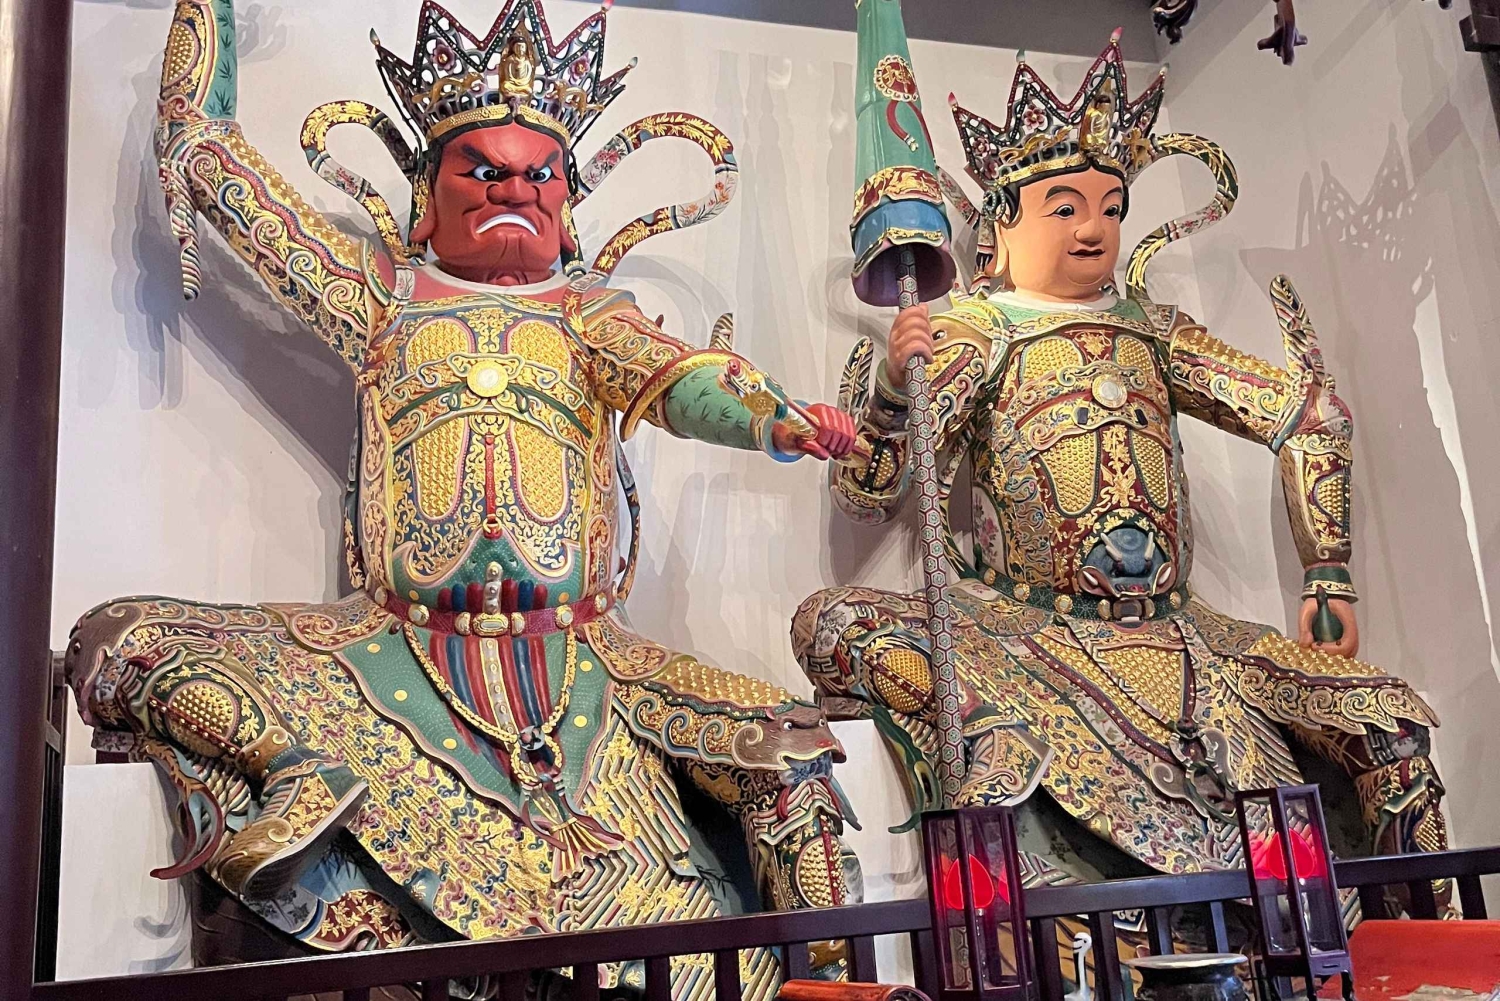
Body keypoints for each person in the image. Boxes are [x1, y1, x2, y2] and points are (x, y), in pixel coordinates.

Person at [68, 0, 862, 974]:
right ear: (427, 194)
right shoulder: (381, 302)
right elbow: (210, 158)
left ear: (567, 201)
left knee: (791, 750)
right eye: (483, 171)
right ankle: (297, 766)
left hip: (589, 665)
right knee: (121, 641)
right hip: (387, 652)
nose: (515, 189)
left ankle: (831, 983)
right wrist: (210, 11)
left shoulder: (590, 318)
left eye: (540, 174)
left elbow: (685, 379)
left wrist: (775, 419)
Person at [795, 33, 1447, 913]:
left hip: (1187, 640)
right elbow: (868, 493)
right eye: (1064, 207)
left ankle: (1428, 948)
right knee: (832, 624)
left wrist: (1327, 571)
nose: (1093, 228)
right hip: (1025, 640)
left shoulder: (1156, 331)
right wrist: (889, 393)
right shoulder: (979, 334)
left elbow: (1310, 416)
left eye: (1110, 206)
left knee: (1387, 721)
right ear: (1003, 224)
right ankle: (1037, 841)